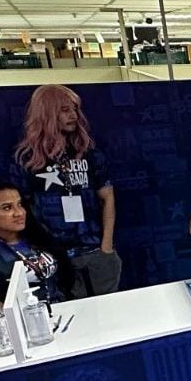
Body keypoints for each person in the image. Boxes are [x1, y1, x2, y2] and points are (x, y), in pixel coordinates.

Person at [13, 83, 119, 297]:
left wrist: (106, 247)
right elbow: (23, 209)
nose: (73, 115)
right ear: (47, 114)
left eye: (75, 109)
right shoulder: (27, 159)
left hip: (95, 250)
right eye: (64, 110)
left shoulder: (88, 152)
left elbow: (108, 198)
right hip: (56, 255)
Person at [0, 177, 70, 312]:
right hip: (25, 318)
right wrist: (15, 320)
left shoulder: (36, 236)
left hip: (64, 310)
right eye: (7, 208)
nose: (19, 213)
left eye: (20, 204)